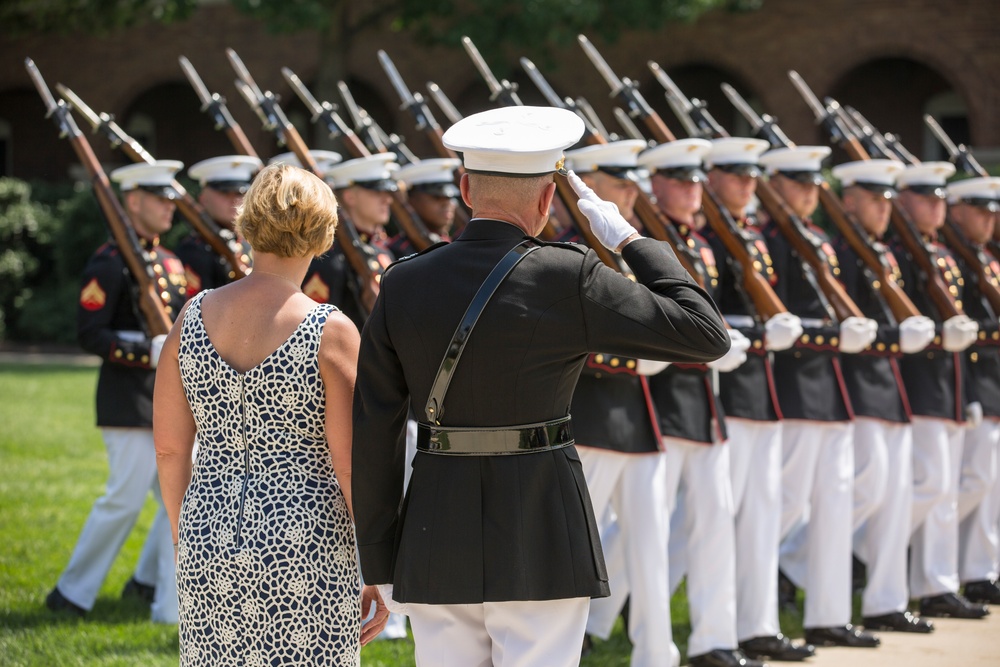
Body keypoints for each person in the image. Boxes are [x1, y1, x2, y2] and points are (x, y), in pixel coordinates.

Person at [351, 106, 731, 667]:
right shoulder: (566, 274)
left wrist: (378, 563)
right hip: (542, 524)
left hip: (436, 525)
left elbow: (376, 430)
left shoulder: (404, 281)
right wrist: (628, 239)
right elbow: (705, 332)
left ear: (465, 188)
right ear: (548, 199)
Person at [152, 163, 388, 665]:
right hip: (306, 536)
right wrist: (376, 565)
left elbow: (170, 448)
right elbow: (349, 463)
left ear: (247, 224)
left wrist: (184, 534)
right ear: (324, 235)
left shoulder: (189, 318)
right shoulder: (332, 329)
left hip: (207, 526)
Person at [638, 137, 770, 667]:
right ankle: (642, 639)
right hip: (661, 400)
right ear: (657, 186)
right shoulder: (646, 244)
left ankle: (714, 640)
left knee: (715, 523)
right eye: (681, 181)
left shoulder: (700, 244)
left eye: (697, 180)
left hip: (704, 405)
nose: (692, 190)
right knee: (650, 532)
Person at [46, 160, 188, 623]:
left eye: (172, 198)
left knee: (181, 505)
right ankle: (71, 592)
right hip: (128, 400)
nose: (171, 206)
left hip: (169, 401)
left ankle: (171, 607)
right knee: (122, 500)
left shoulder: (170, 263)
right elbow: (90, 332)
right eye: (159, 198)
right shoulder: (108, 262)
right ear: (132, 201)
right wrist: (144, 351)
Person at [559, 139, 682, 667]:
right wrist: (633, 361)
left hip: (639, 420)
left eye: (635, 181)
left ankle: (657, 654)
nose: (632, 192)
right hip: (588, 417)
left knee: (650, 552)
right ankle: (563, 649)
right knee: (572, 549)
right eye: (619, 181)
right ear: (588, 188)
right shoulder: (569, 251)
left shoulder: (630, 249)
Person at [760, 147, 881, 649]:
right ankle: (762, 602)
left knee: (836, 504)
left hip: (830, 391)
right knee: (783, 506)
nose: (810, 191)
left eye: (814, 183)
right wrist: (833, 337)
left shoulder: (817, 240)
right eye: (798, 183)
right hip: (793, 387)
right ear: (777, 186)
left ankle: (828, 613)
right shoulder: (773, 241)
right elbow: (780, 320)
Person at [700, 139, 815, 660]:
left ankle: (758, 624)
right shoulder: (711, 238)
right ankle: (717, 632)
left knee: (765, 515)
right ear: (713, 178)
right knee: (719, 523)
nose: (748, 184)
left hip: (763, 392)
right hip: (734, 393)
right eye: (736, 175)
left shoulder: (748, 236)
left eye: (752, 176)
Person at [830, 159, 936, 633]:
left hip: (891, 386)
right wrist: (894, 339)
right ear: (848, 201)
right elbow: (847, 326)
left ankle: (886, 599)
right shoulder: (842, 253)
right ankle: (798, 557)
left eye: (887, 200)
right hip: (858, 385)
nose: (883, 208)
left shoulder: (882, 252)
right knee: (870, 490)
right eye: (873, 199)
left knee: (894, 497)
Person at [888, 162, 989, 621]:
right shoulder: (899, 253)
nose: (936, 206)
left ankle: (938, 582)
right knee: (930, 485)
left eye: (940, 199)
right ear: (903, 202)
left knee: (947, 490)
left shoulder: (942, 255)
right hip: (919, 384)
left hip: (949, 384)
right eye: (926, 198)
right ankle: (873, 556)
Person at [946, 176, 1000, 606]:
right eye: (980, 210)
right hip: (974, 380)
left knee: (989, 485)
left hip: (992, 382)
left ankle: (980, 569)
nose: (990, 218)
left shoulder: (985, 257)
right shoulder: (956, 259)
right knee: (971, 481)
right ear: (957, 210)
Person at [302, 153, 399, 330]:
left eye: (387, 192)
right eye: (377, 192)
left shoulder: (382, 252)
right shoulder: (326, 258)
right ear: (349, 197)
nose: (388, 199)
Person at [175, 155, 262, 295]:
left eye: (240, 192)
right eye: (225, 192)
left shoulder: (252, 245)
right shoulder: (193, 252)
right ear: (203, 199)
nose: (234, 200)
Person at [389, 157, 462, 257]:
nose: (446, 203)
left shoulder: (451, 243)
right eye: (436, 197)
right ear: (411, 200)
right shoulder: (399, 250)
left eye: (449, 197)